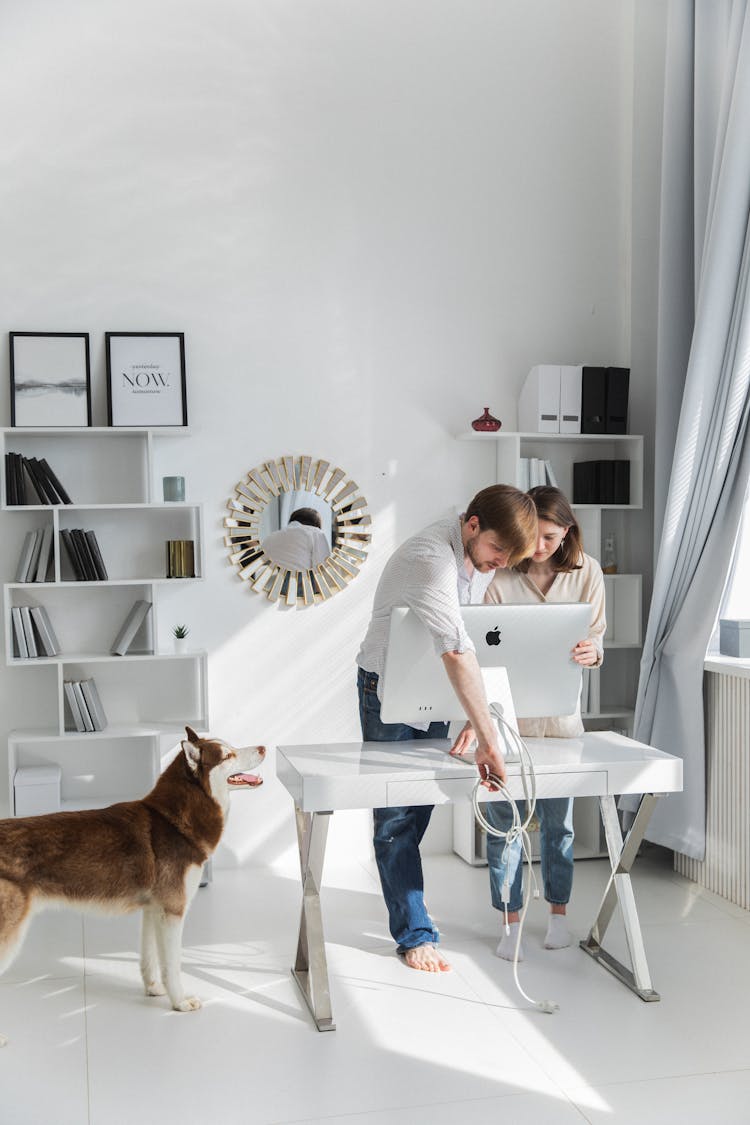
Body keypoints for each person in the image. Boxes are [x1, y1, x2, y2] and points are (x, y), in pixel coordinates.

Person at [356, 485, 538, 973]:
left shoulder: (475, 559)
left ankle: (408, 911)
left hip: (434, 687)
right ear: (472, 524)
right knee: (395, 817)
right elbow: (456, 649)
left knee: (417, 811)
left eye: (507, 559)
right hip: (386, 689)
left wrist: (469, 718)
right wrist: (488, 736)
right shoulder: (430, 559)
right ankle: (415, 934)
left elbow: (470, 641)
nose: (497, 564)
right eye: (497, 551)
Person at [480, 485, 605, 959]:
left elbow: (596, 640)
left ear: (567, 531)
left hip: (562, 723)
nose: (538, 546)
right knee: (504, 826)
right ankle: (509, 922)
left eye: (550, 537)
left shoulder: (588, 572)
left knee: (561, 827)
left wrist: (593, 653)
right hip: (509, 723)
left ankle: (558, 915)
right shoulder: (500, 575)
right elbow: (485, 649)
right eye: (533, 535)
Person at [261, 507, 331, 571]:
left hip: (269, 581)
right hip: (298, 580)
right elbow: (323, 568)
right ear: (316, 524)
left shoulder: (271, 537)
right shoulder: (316, 533)